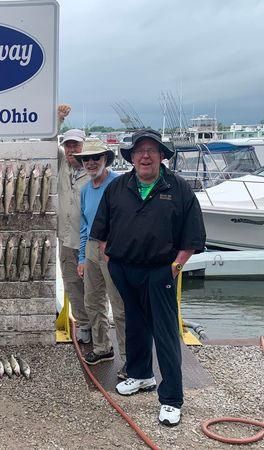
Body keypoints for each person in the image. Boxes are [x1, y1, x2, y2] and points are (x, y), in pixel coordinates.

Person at [91, 129, 206, 427]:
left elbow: (192, 236)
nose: (145, 156)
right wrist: (109, 258)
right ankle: (140, 375)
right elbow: (101, 229)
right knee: (135, 325)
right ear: (131, 157)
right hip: (124, 270)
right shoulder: (118, 188)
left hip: (160, 272)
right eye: (139, 150)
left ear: (161, 156)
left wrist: (176, 266)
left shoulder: (178, 188)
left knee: (165, 334)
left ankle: (171, 399)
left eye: (151, 150)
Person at [74, 140, 126, 377]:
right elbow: (84, 227)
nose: (91, 162)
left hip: (115, 249)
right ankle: (102, 347)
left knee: (120, 306)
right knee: (92, 302)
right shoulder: (85, 190)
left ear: (106, 159)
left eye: (96, 157)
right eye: (86, 159)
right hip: (92, 249)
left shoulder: (119, 183)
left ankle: (129, 357)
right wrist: (82, 258)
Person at [57, 127, 91, 343]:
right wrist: (58, 119)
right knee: (72, 285)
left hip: (90, 242)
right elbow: (47, 137)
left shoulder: (93, 169)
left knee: (93, 288)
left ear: (83, 146)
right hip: (66, 239)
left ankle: (99, 329)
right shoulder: (61, 165)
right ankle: (84, 326)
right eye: (68, 145)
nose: (71, 149)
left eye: (75, 145)